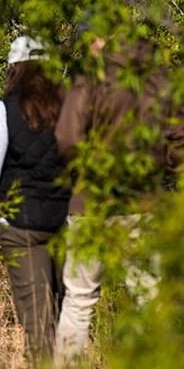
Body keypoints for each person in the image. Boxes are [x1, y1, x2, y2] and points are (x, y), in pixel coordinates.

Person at [53, 32, 184, 365]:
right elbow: (178, 142)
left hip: (91, 206)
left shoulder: (92, 77)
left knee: (79, 300)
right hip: (144, 204)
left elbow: (67, 138)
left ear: (98, 38)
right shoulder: (159, 80)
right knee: (150, 299)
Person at [0, 35, 70, 361]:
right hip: (65, 221)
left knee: (37, 321)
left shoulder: (2, 112)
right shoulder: (71, 109)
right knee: (66, 312)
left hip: (21, 225)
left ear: (14, 68)